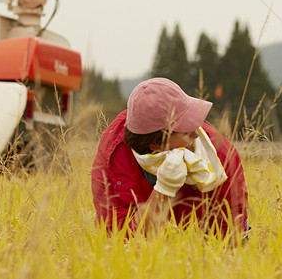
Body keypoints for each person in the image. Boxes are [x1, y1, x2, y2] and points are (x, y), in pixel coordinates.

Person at [91, 77, 248, 239]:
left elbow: (231, 235)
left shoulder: (220, 154)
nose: (196, 133)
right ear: (154, 144)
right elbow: (119, 241)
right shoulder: (112, 155)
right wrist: (163, 191)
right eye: (185, 131)